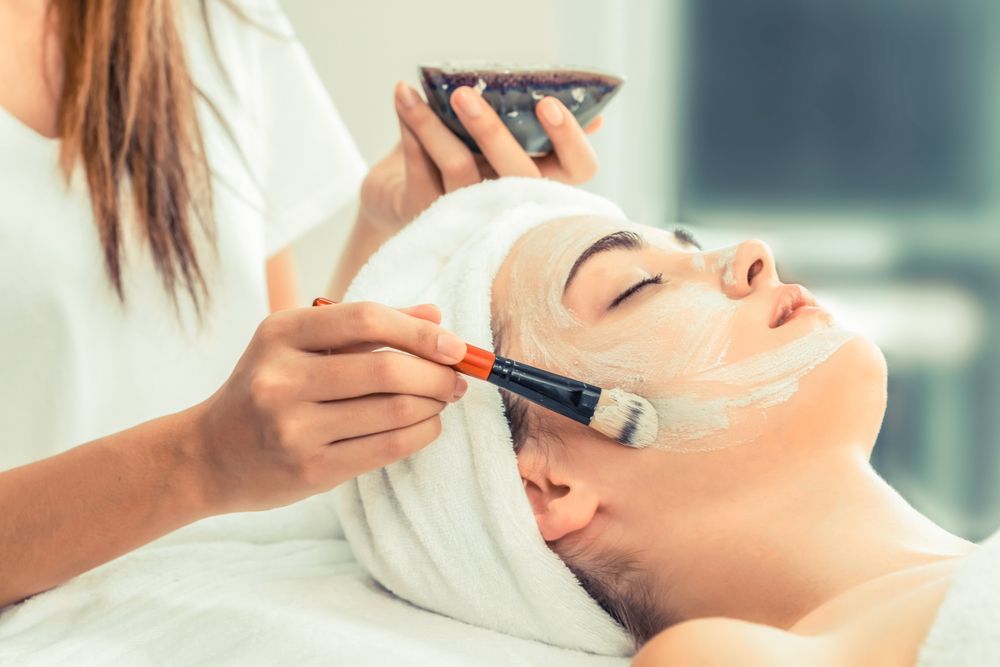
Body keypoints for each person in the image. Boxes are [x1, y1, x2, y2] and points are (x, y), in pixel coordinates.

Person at [0, 0, 601, 608]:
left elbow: (266, 378)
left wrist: (389, 225)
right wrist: (199, 461)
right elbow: (232, 441)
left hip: (242, 587)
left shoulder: (217, 20)